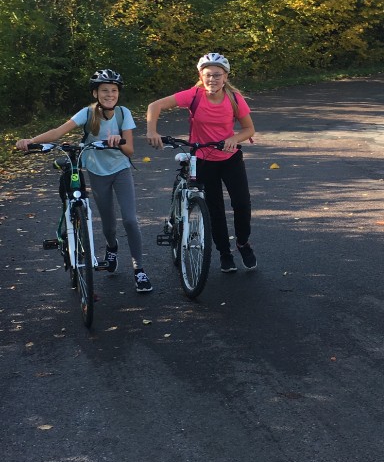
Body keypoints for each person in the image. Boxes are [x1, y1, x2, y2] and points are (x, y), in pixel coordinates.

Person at [16, 69, 153, 293]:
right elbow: (58, 132)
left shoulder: (123, 113)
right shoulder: (88, 113)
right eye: (104, 90)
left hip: (121, 170)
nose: (110, 94)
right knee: (109, 224)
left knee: (130, 219)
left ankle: (139, 269)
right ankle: (112, 248)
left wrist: (118, 141)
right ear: (95, 93)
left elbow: (129, 150)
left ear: (118, 93)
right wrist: (31, 140)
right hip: (97, 172)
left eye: (114, 90)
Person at [146, 52, 257, 273]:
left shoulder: (234, 99)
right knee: (214, 209)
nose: (212, 79)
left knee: (242, 203)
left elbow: (249, 129)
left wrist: (234, 139)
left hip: (230, 157)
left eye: (217, 75)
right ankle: (224, 253)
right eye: (208, 75)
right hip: (203, 159)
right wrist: (151, 131)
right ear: (201, 76)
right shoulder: (193, 95)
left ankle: (243, 243)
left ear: (225, 77)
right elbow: (154, 106)